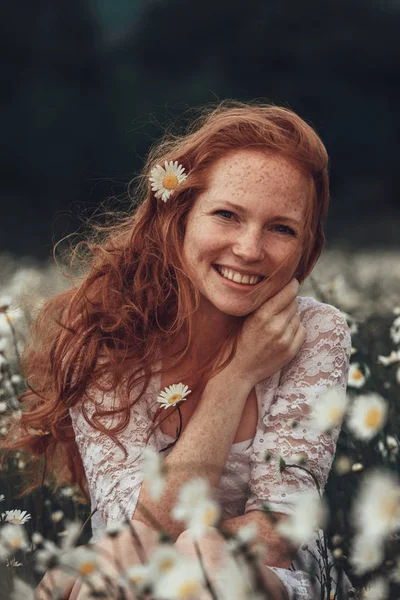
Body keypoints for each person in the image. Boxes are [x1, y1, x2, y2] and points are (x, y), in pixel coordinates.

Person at [4, 100, 352, 599]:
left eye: (281, 228)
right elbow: (138, 525)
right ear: (179, 217)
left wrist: (194, 543)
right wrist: (235, 377)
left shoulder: (315, 333)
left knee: (202, 557)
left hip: (273, 577)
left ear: (306, 247)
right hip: (130, 575)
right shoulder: (103, 335)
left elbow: (282, 530)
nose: (250, 249)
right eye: (227, 215)